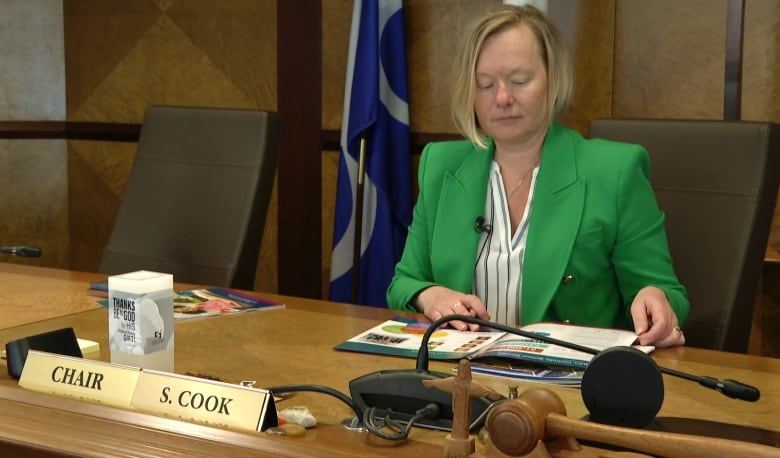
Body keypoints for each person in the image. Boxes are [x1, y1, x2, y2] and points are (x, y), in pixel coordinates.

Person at [385, 4, 689, 348]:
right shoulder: (441, 165)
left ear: (552, 78)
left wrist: (653, 297)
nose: (502, 98)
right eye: (485, 85)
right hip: (461, 375)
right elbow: (403, 283)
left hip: (570, 385)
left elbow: (667, 292)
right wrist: (431, 295)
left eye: (519, 80)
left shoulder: (616, 170)